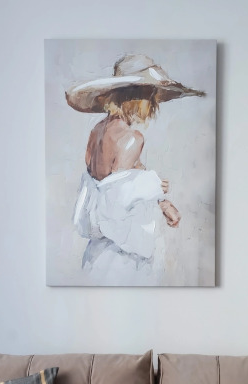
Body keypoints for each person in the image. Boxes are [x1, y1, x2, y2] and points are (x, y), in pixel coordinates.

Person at [65, 54, 204, 276]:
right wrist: (152, 184)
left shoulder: (96, 132)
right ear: (139, 97)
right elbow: (117, 203)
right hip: (123, 258)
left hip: (95, 255)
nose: (155, 104)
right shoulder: (132, 139)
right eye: (152, 95)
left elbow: (117, 181)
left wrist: (161, 199)